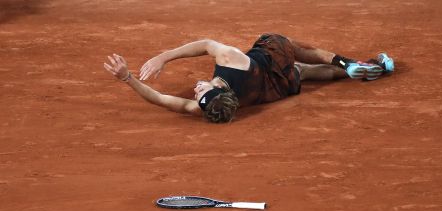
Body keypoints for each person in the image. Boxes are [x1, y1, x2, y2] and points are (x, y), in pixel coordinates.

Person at [103, 33, 394, 123]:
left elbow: (161, 99)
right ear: (217, 90)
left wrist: (128, 77)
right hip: (268, 62)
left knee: (302, 72)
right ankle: (351, 63)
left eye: (197, 95)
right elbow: (207, 45)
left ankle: (364, 68)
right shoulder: (230, 62)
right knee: (299, 52)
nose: (195, 91)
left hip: (274, 89)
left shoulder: (221, 105)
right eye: (201, 91)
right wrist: (163, 56)